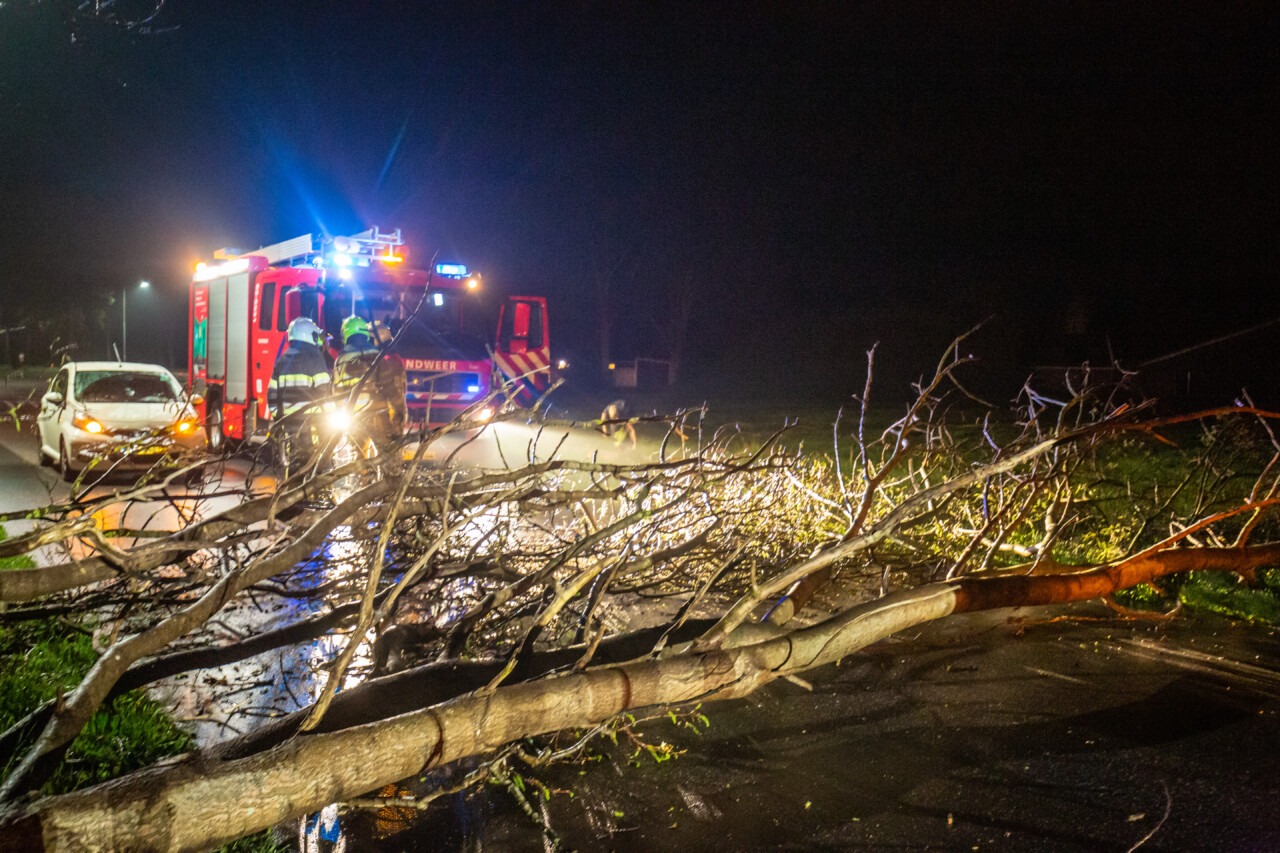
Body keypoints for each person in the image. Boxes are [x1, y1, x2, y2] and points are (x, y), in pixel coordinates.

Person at [333, 315, 407, 456]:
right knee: (388, 459)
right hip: (378, 417)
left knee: (358, 460)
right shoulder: (377, 355)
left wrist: (341, 415)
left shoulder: (340, 361)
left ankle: (363, 478)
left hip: (354, 419)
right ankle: (391, 477)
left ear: (346, 334)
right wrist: (399, 409)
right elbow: (390, 387)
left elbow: (336, 394)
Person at [268, 317, 332, 468]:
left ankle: (292, 487)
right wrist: (330, 414)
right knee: (319, 462)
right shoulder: (315, 357)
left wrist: (279, 416)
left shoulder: (282, 360)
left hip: (290, 422)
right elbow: (325, 390)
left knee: (296, 462)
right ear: (309, 334)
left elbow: (272, 394)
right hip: (314, 421)